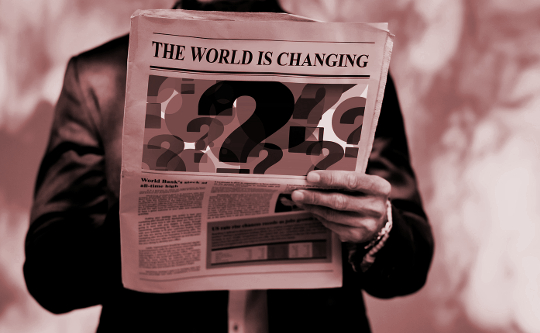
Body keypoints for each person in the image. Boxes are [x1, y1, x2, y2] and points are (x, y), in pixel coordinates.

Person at [24, 0, 434, 332]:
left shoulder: (353, 67)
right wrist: (144, 211)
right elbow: (50, 278)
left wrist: (376, 230)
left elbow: (411, 264)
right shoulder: (97, 78)